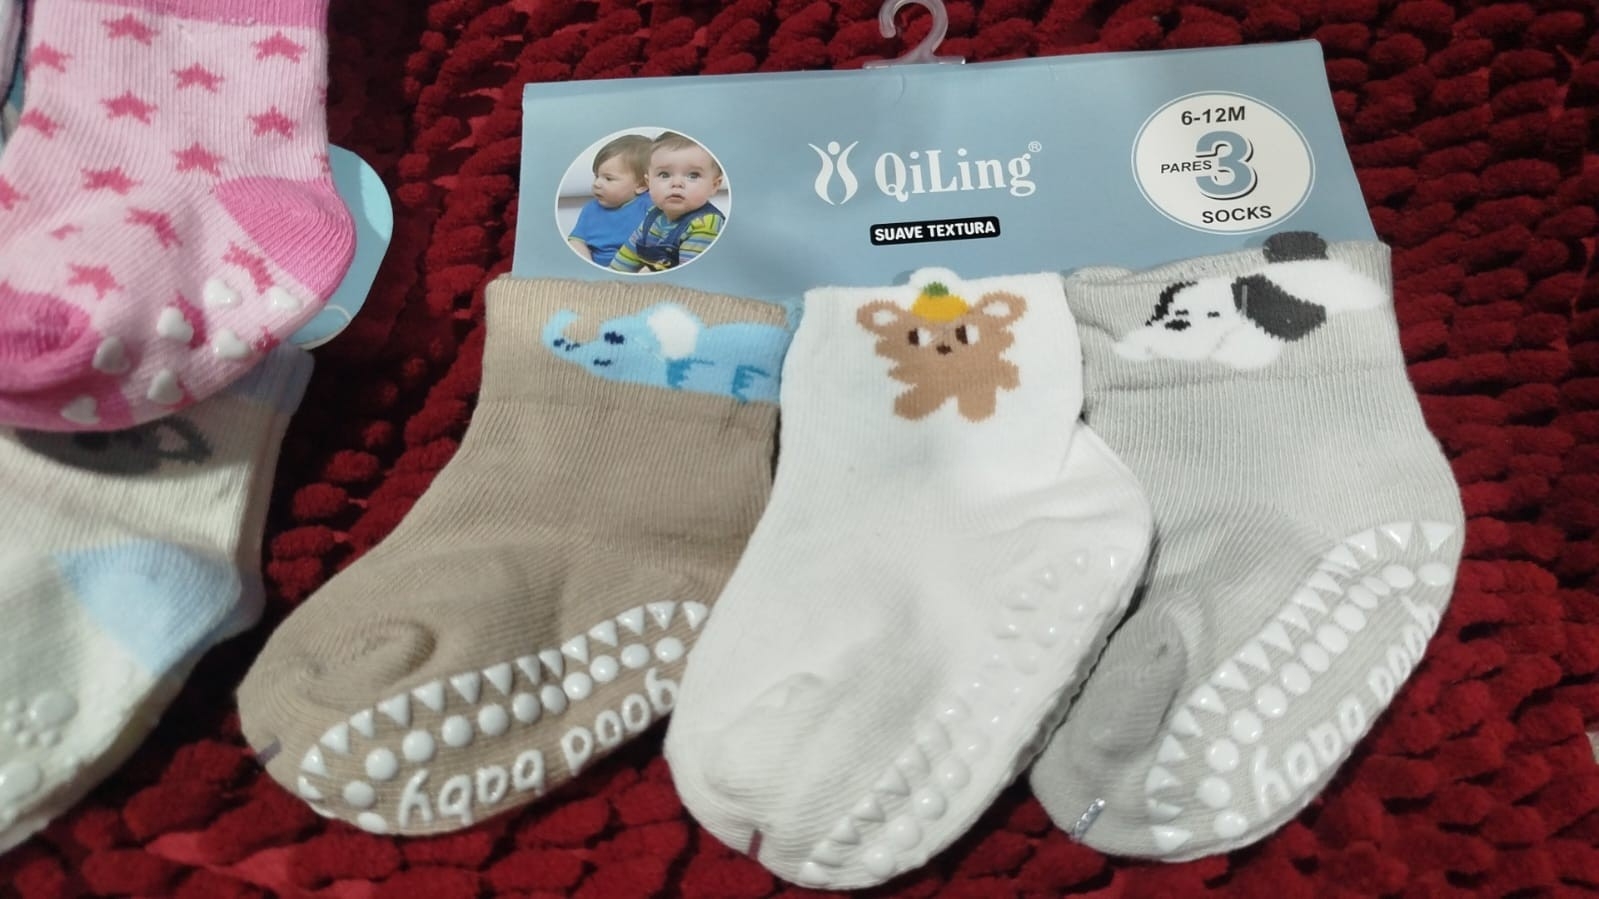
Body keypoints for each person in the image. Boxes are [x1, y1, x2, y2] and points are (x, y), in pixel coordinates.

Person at [610, 132, 726, 273]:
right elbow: (626, 257)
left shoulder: (705, 225)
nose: (676, 183)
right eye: (664, 175)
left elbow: (689, 276)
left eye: (693, 175)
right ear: (648, 182)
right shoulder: (653, 217)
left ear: (714, 185)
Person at [566, 134, 652, 268]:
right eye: (596, 176)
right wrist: (588, 266)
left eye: (608, 178)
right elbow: (577, 241)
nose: (596, 184)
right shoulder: (590, 210)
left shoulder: (650, 207)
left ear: (641, 185)